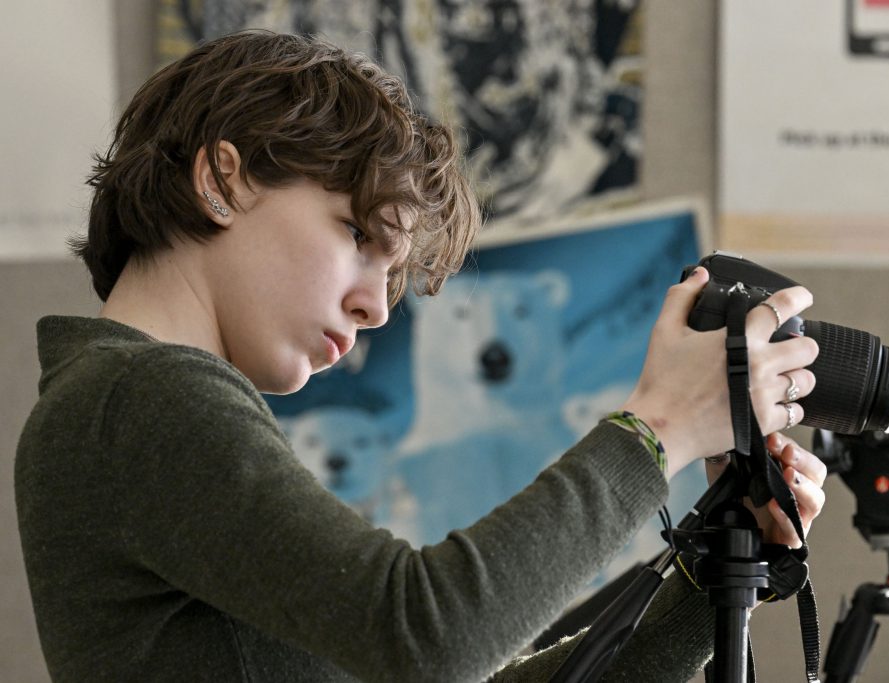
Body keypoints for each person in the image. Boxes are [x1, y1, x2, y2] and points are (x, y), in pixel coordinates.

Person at [14, 30, 826, 682]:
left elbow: (433, 652)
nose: (374, 306)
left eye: (392, 274)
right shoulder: (139, 397)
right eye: (359, 234)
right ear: (222, 181)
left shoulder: (125, 405)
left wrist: (709, 567)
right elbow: (429, 635)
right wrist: (659, 428)